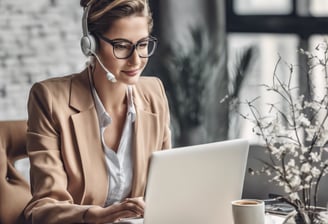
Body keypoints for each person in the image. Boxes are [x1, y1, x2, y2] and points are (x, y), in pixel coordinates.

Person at [24, 0, 171, 223]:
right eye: (121, 46)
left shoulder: (154, 94)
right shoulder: (49, 98)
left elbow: (166, 187)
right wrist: (94, 216)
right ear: (90, 45)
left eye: (142, 44)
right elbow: (43, 210)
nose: (136, 60)